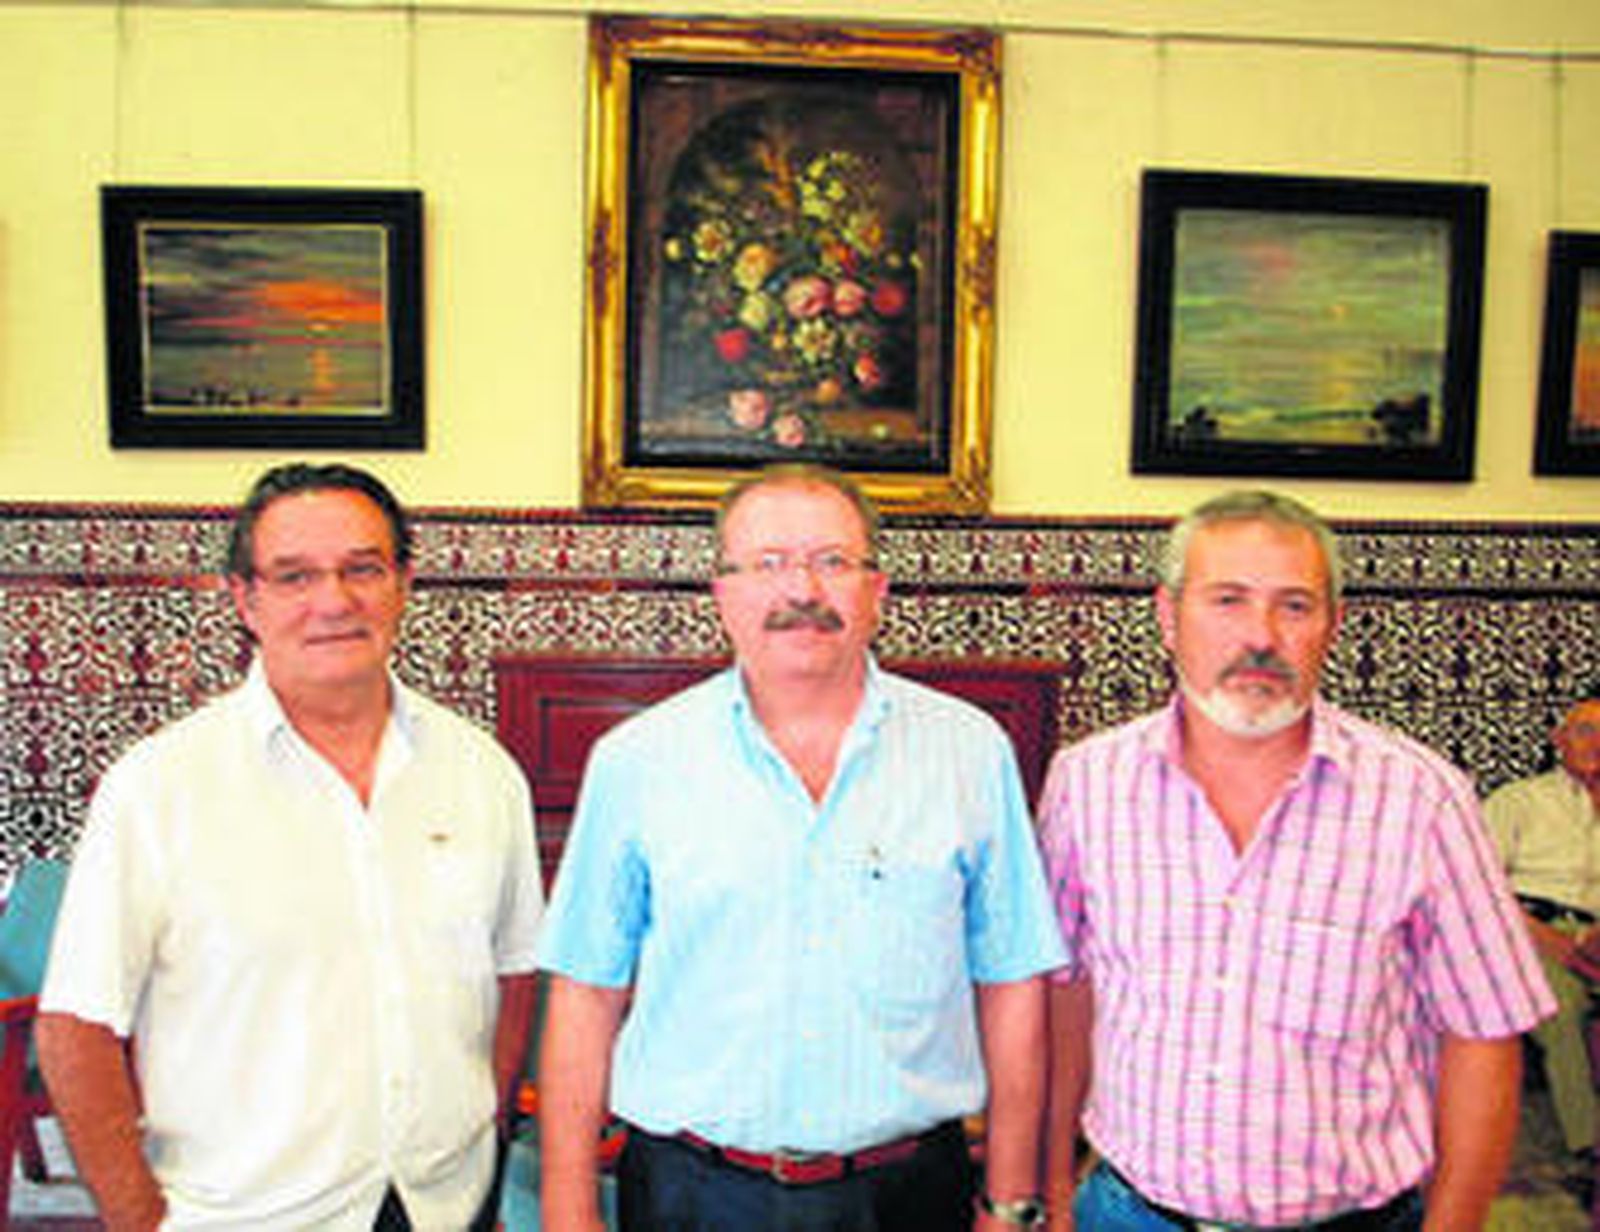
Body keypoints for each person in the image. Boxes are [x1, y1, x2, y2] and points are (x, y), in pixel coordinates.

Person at [536, 463, 1065, 1232]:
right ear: (722, 594)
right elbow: (586, 992)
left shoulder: (969, 752)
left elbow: (1013, 982)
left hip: (908, 1195)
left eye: (832, 562)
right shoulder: (637, 761)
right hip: (691, 1192)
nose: (802, 591)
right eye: (770, 563)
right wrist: (567, 1205)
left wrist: (1012, 1202)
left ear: (877, 592)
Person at [37, 462, 544, 1231]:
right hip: (242, 1216)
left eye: (362, 569)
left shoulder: (483, 774)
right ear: (245, 598)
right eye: (295, 575)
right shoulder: (158, 788)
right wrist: (139, 1219)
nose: (333, 602)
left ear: (404, 581)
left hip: (441, 1205)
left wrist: (482, 1135)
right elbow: (74, 1030)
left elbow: (514, 976)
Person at [1039, 489, 1554, 1232]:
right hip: (1130, 1215)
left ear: (1332, 626)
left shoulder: (1422, 798)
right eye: (1228, 601)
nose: (1262, 636)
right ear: (1167, 616)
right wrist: (1050, 1192)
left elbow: (1484, 1034)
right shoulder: (1087, 784)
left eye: (1295, 606)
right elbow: (1065, 997)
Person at [1484, 694, 1600, 1157]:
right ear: (1559, 740)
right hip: (1530, 933)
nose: (1598, 743)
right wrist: (1551, 939)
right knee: (1564, 1008)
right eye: (1585, 730)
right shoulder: (1519, 801)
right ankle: (1589, 1143)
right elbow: (1476, 890)